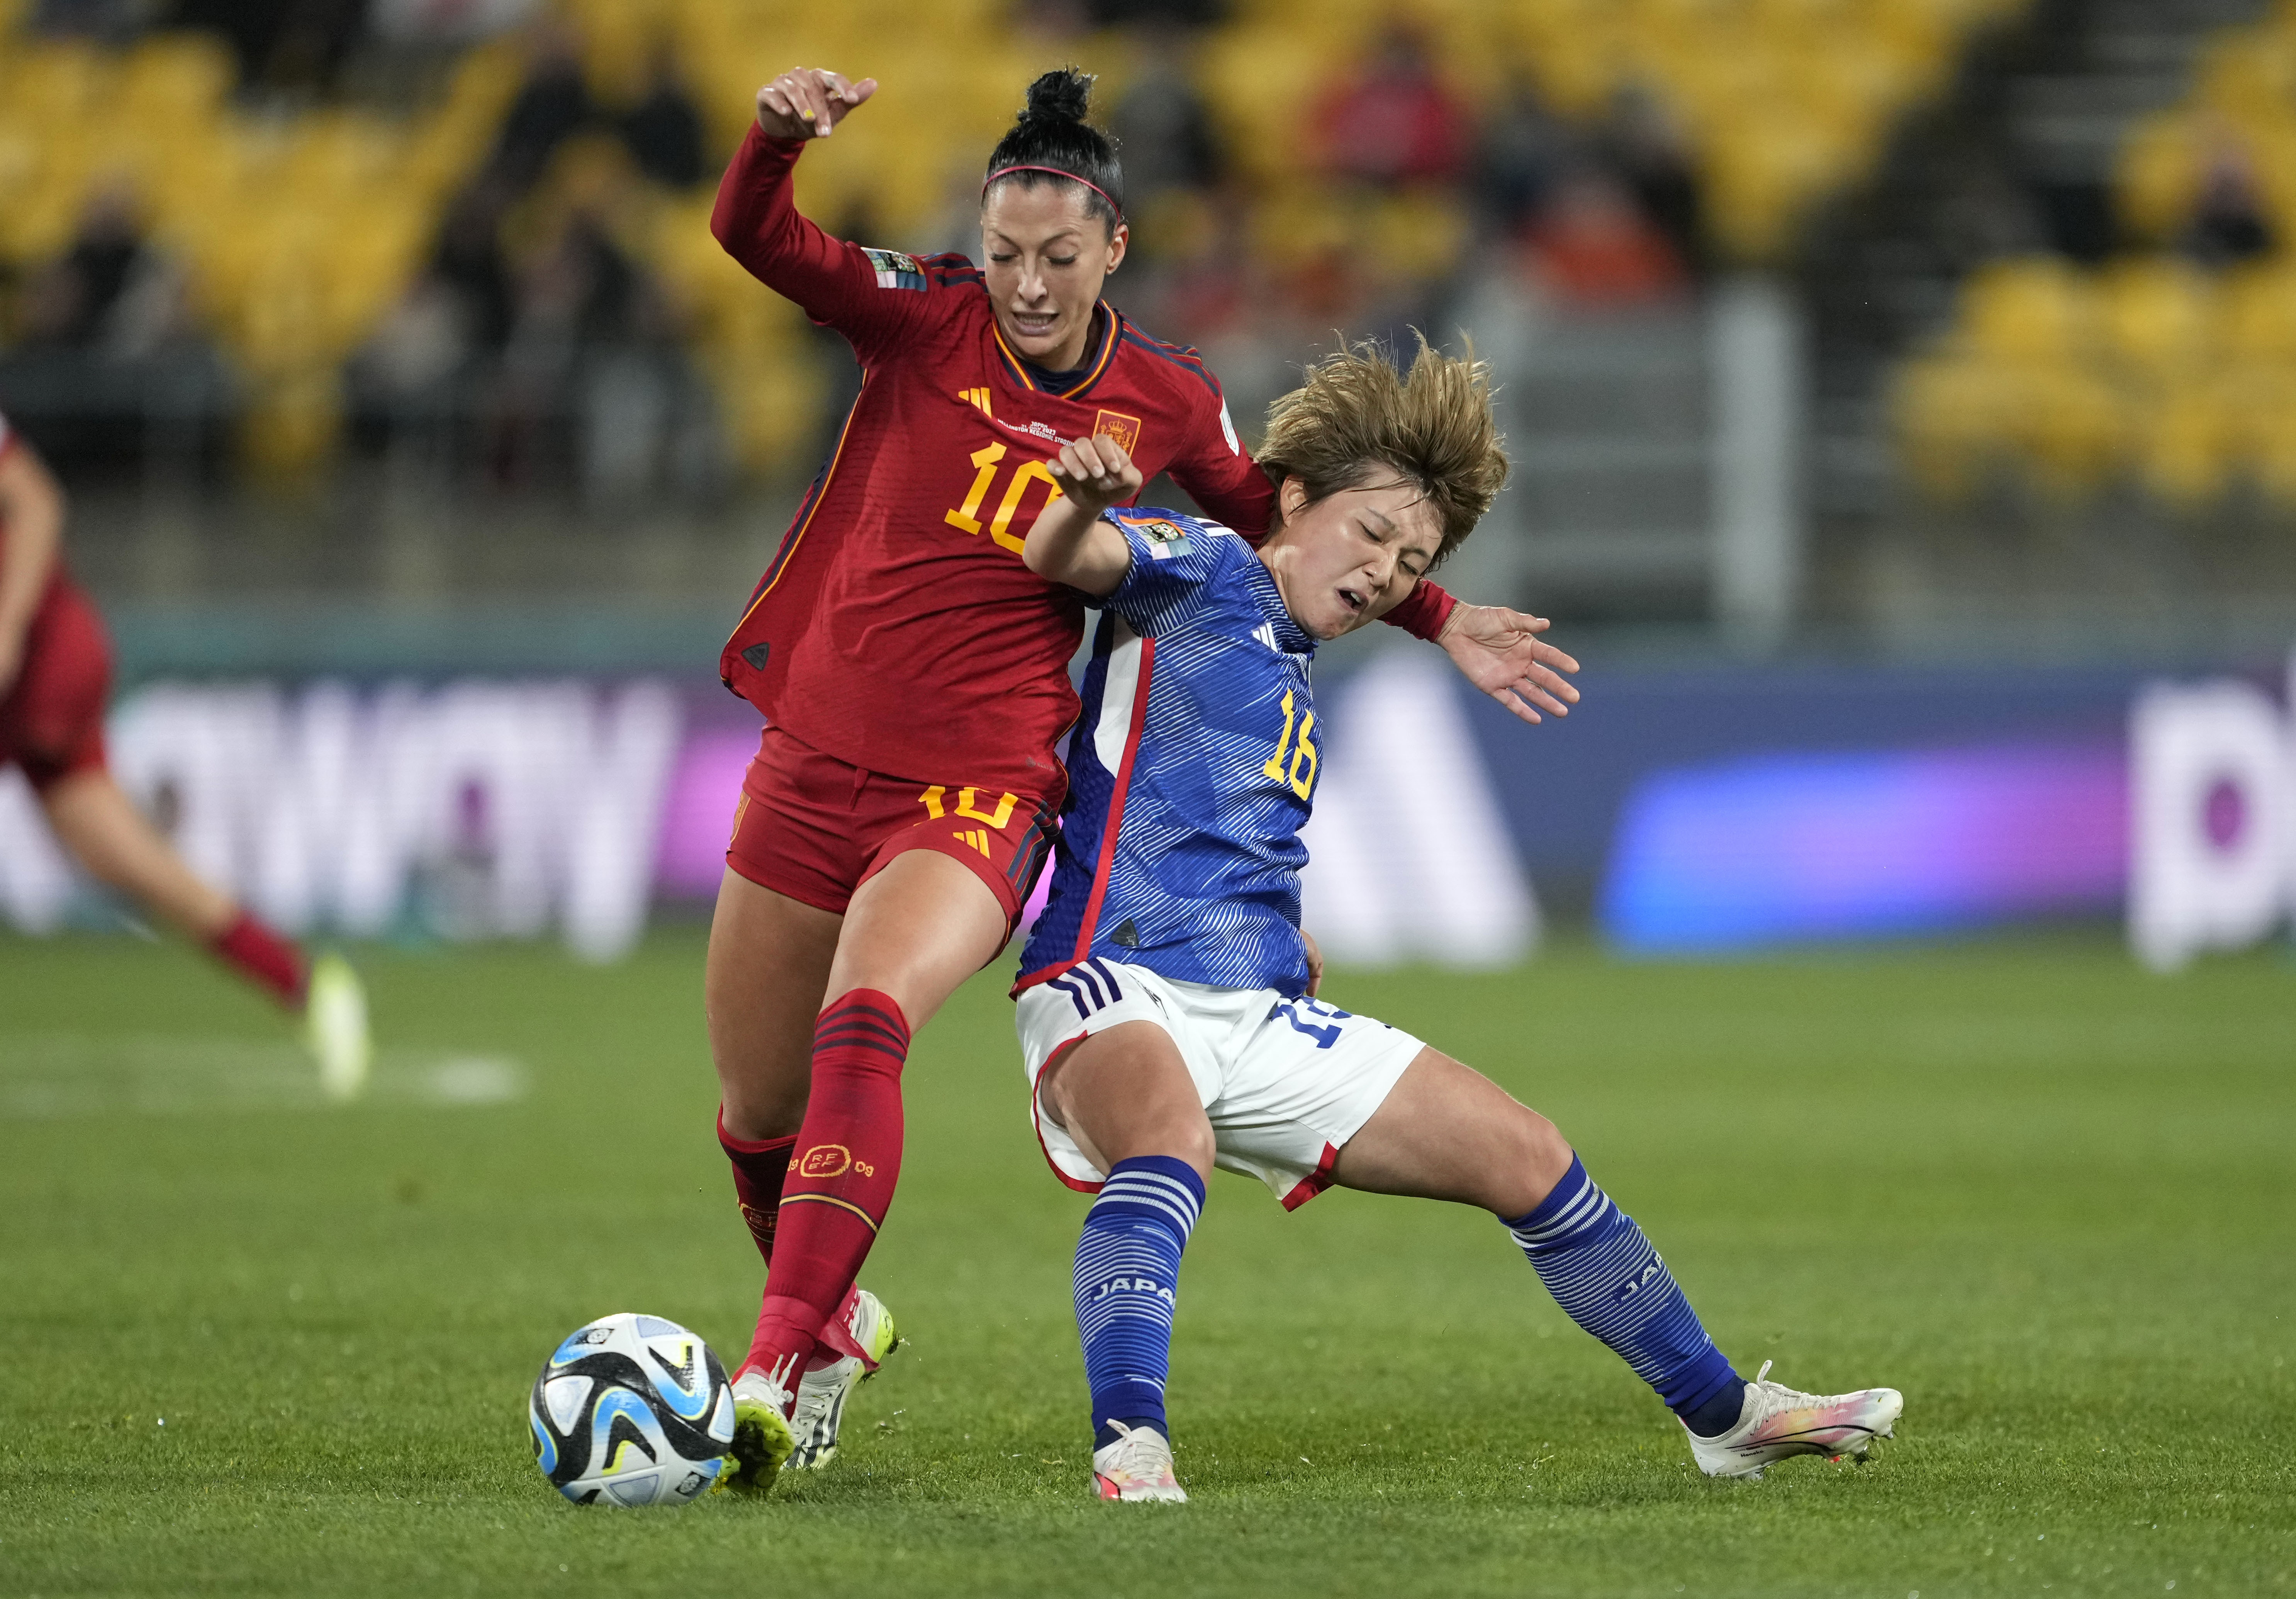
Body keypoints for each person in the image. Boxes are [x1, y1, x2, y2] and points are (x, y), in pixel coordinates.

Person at [702, 63, 1580, 1491]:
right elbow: (760, 241)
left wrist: (1438, 615)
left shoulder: (1170, 398)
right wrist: (772, 144)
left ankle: (771, 1362)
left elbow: (1282, 525)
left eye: (1057, 258)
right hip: (810, 754)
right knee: (754, 1109)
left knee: (872, 1011)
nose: (1028, 287)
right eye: (1004, 257)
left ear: (1115, 247)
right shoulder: (923, 319)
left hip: (978, 784)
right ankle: (832, 1322)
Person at [1009, 340, 1900, 1501]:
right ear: (1293, 499)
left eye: (1412, 558)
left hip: (1259, 1003)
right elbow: (1067, 553)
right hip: (1111, 978)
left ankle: (1723, 1414)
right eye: (1371, 534)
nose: (1385, 571)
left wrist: (1283, 936)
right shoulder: (1203, 565)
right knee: (1163, 1140)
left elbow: (1220, 821)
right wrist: (1083, 501)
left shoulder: (1289, 653)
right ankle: (1131, 1447)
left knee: (1528, 1153)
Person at [0, 412, 371, 1094]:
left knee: (121, 853)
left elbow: (37, 499)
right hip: (42, 656)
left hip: (39, 664)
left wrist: (10, 625)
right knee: (124, 857)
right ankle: (307, 984)